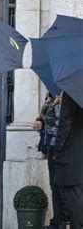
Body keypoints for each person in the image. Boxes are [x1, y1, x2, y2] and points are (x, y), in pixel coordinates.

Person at [32, 92, 65, 229]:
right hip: (50, 148)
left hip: (64, 149)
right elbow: (47, 121)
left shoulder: (70, 96)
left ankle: (65, 221)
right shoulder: (51, 96)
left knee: (64, 187)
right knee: (54, 186)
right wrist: (41, 123)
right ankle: (57, 220)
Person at [54, 91, 83, 228]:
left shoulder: (72, 91)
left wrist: (58, 149)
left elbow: (65, 123)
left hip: (72, 153)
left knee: (73, 197)